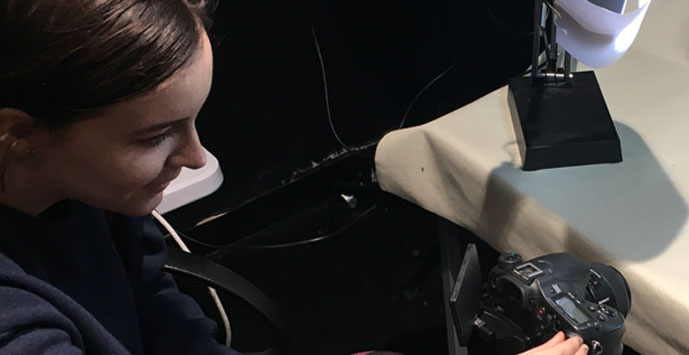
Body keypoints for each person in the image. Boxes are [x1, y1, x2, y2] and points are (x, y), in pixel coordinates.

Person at [0, 1, 588, 354]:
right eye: (155, 137)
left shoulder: (93, 200)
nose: (197, 158)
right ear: (20, 134)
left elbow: (162, 315)